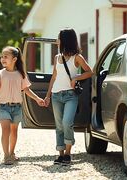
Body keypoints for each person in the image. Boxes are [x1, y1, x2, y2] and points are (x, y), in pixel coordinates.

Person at [0, 46, 45, 165]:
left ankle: (12, 153)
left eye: (6, 56)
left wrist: (37, 98)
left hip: (17, 107)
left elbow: (26, 90)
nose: (2, 59)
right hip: (3, 106)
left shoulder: (20, 74)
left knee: (14, 131)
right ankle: (6, 156)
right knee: (6, 130)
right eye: (2, 56)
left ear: (14, 59)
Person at [44, 28, 93, 165]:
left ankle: (68, 153)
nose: (57, 40)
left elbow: (90, 72)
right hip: (55, 95)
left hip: (71, 95)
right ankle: (60, 154)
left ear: (65, 40)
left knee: (67, 123)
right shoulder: (57, 57)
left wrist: (77, 77)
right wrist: (48, 95)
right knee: (59, 126)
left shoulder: (77, 57)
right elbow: (54, 77)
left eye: (59, 38)